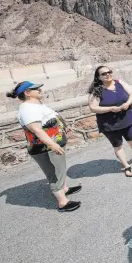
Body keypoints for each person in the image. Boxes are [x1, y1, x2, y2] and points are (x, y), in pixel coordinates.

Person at [6, 81, 82, 212]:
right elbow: (37, 130)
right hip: (44, 148)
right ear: (27, 93)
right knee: (54, 173)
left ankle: (64, 189)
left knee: (60, 169)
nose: (40, 89)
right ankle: (62, 203)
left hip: (52, 144)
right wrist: (52, 144)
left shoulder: (36, 104)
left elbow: (53, 115)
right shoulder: (27, 109)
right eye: (36, 88)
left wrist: (64, 125)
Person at [88, 66, 132, 177]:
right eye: (104, 74)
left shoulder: (120, 83)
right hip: (109, 124)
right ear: (99, 77)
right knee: (117, 145)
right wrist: (110, 108)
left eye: (109, 72)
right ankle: (126, 166)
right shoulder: (97, 91)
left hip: (126, 118)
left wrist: (128, 103)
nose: (108, 75)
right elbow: (93, 107)